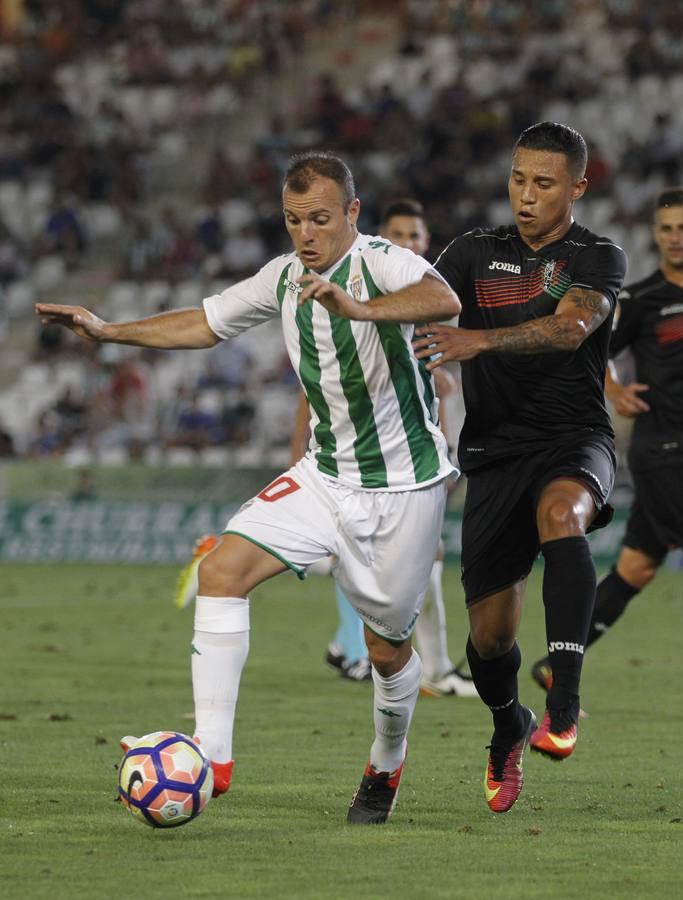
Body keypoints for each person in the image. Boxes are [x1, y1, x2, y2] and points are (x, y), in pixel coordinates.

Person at [36, 151, 460, 826]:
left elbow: (444, 297)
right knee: (221, 569)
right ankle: (212, 757)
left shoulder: (382, 261)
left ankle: (386, 760)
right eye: (294, 220)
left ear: (352, 213)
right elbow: (203, 322)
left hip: (403, 488)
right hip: (324, 476)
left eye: (320, 218)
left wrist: (360, 306)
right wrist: (108, 331)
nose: (306, 233)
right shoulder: (284, 277)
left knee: (387, 650)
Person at [413, 122, 627, 813]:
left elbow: (570, 328)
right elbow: (420, 302)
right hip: (494, 453)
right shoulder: (474, 251)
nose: (525, 196)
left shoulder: (596, 255)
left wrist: (474, 340)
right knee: (488, 637)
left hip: (573, 438)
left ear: (576, 187)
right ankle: (509, 724)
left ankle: (563, 701)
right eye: (516, 180)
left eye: (543, 183)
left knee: (561, 514)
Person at [530, 186, 683, 715]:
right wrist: (614, 389)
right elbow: (591, 349)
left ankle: (554, 667)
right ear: (656, 238)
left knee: (637, 567)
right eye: (665, 229)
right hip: (663, 447)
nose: (675, 237)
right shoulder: (641, 300)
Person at [305, 198, 476, 695]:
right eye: (396, 234)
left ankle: (359, 648)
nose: (405, 243)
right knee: (387, 554)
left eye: (414, 236)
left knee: (409, 558)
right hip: (365, 458)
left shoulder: (435, 301)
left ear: (426, 245)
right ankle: (426, 666)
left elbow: (448, 379)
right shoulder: (358, 298)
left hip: (424, 451)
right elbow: (317, 388)